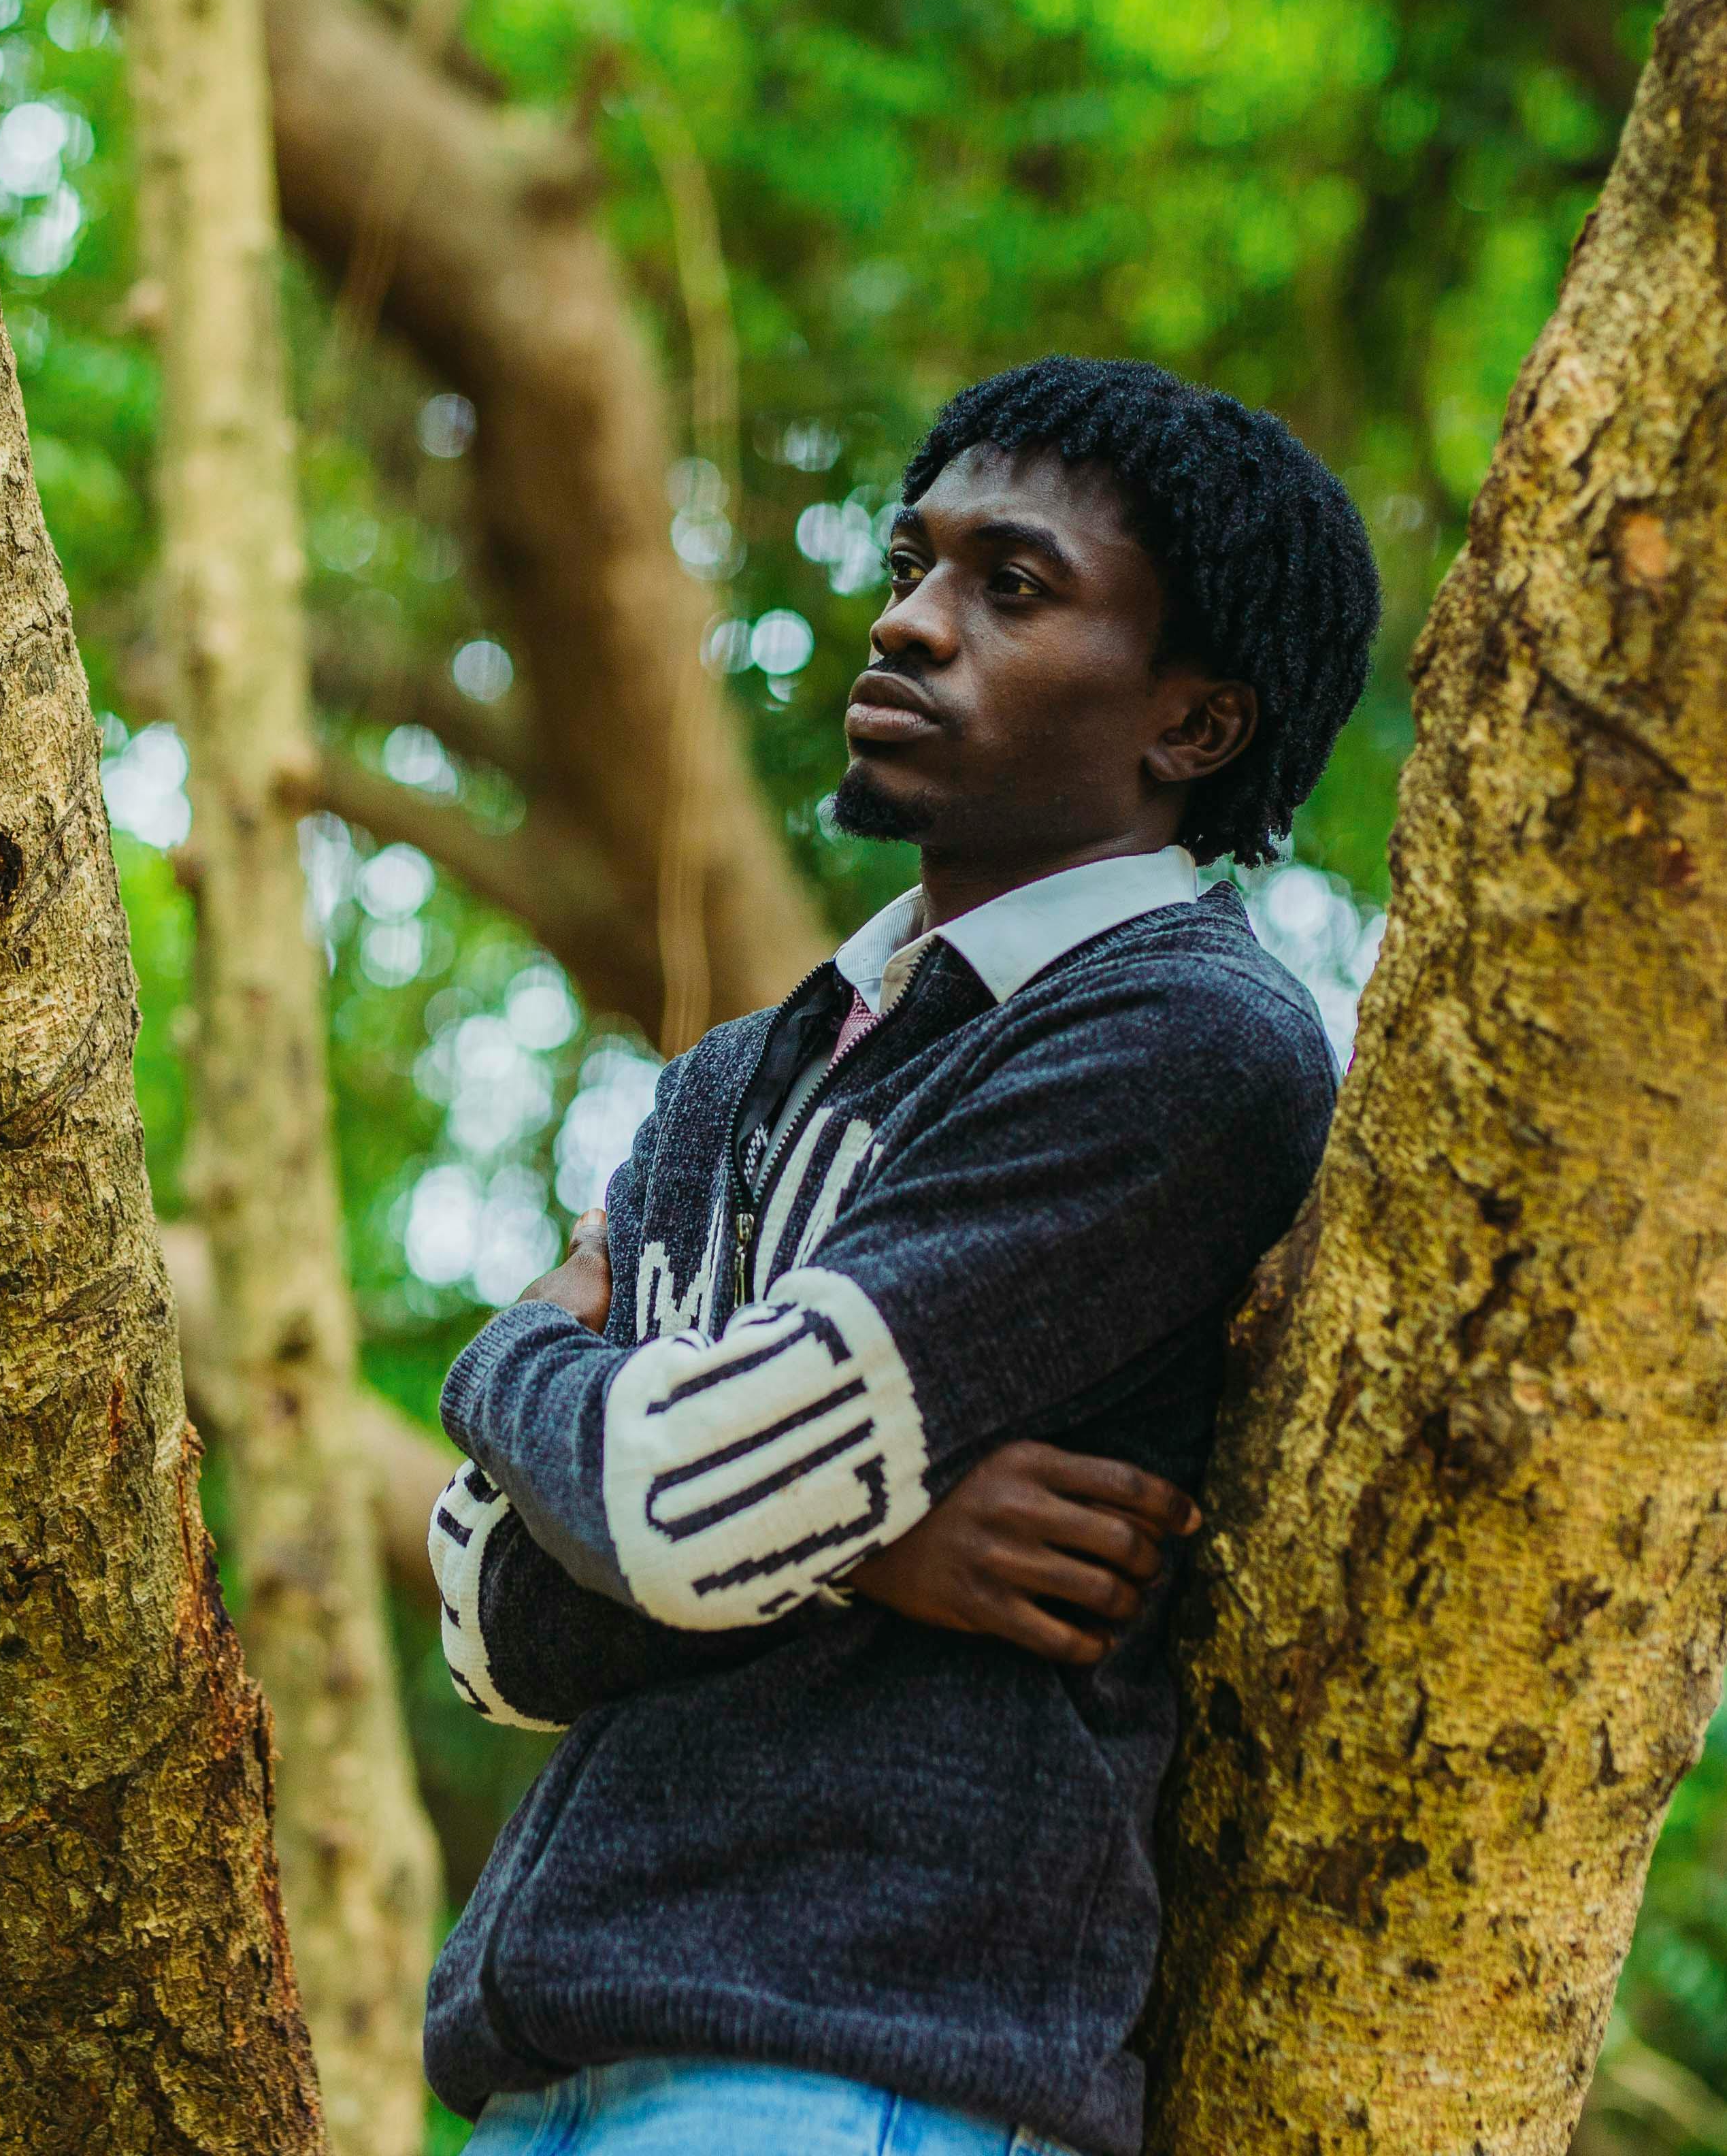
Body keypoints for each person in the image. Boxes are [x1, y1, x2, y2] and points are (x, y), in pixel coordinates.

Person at [424, 357, 1384, 2156]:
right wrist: (869, 1545)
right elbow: (489, 1616)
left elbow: (675, 1506)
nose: (908, 624)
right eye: (913, 563)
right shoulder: (742, 1074)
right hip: (561, 2070)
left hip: (859, 2074)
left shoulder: (1184, 1044)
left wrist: (518, 1369)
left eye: (1009, 589)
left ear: (1195, 726)